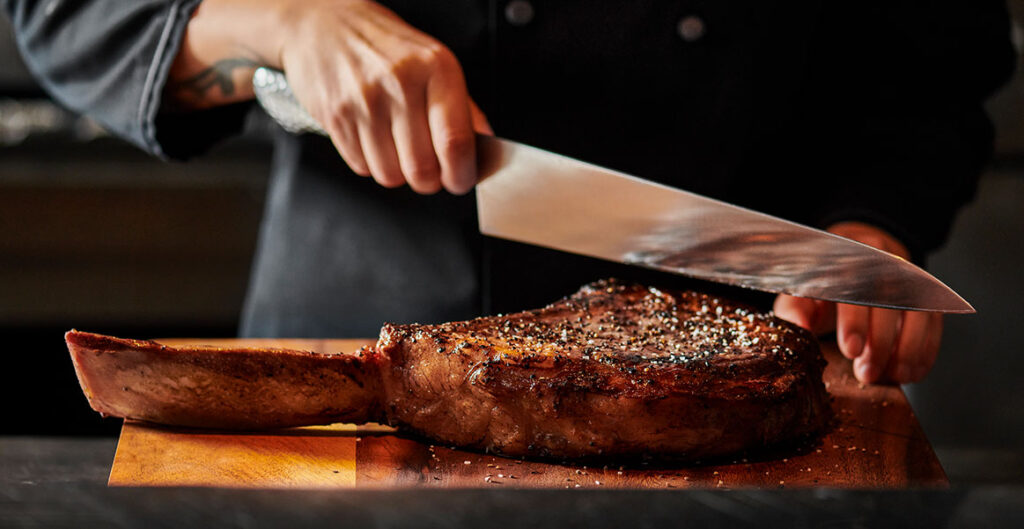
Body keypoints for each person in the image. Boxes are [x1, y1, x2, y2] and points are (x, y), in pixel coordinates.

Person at [4, 0, 1013, 384]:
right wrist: (282, 19)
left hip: (745, 381)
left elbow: (926, 76)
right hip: (357, 371)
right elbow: (64, 12)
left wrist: (866, 228)